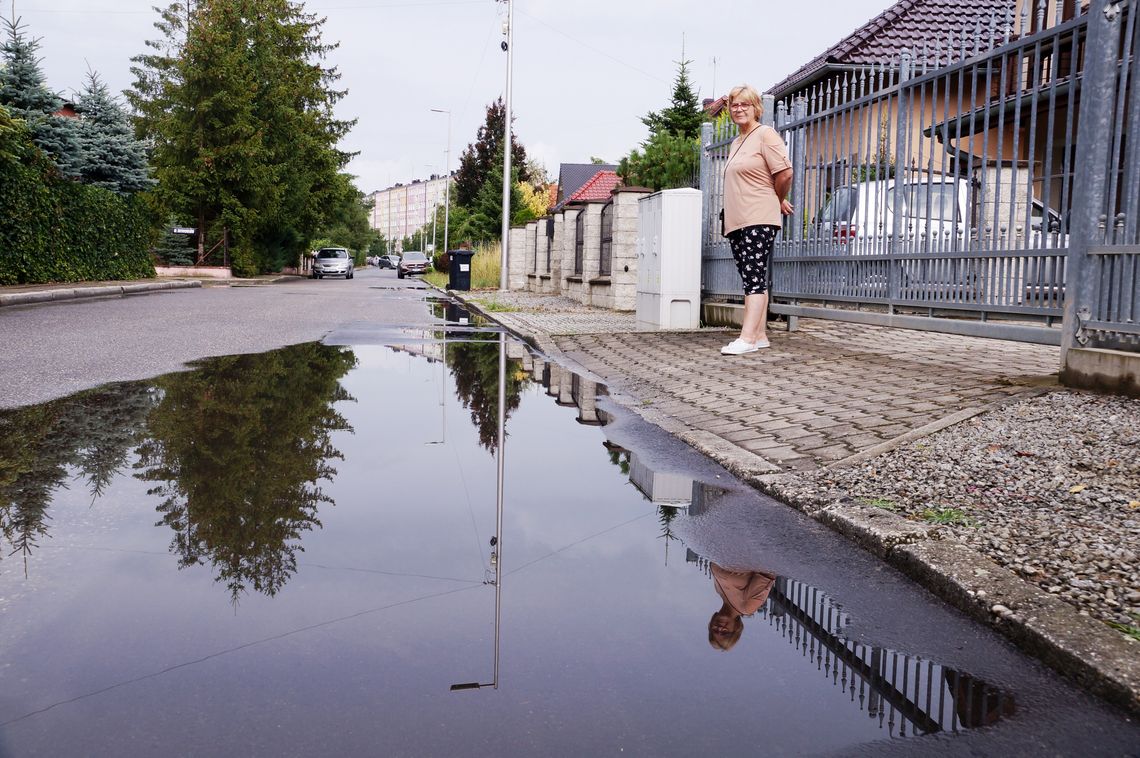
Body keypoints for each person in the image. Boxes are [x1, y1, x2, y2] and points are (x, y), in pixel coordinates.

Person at [720, 84, 794, 356]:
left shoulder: (765, 135)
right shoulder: (737, 142)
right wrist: (779, 198)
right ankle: (760, 334)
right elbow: (758, 177)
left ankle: (747, 338)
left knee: (753, 276)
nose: (738, 109)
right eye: (734, 105)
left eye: (744, 105)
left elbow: (784, 173)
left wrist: (775, 200)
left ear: (756, 109)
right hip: (738, 220)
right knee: (751, 276)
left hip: (757, 217)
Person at [707, 562, 777, 651]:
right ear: (735, 628)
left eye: (715, 630)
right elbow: (769, 570)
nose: (720, 628)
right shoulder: (747, 607)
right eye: (724, 632)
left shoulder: (718, 590)